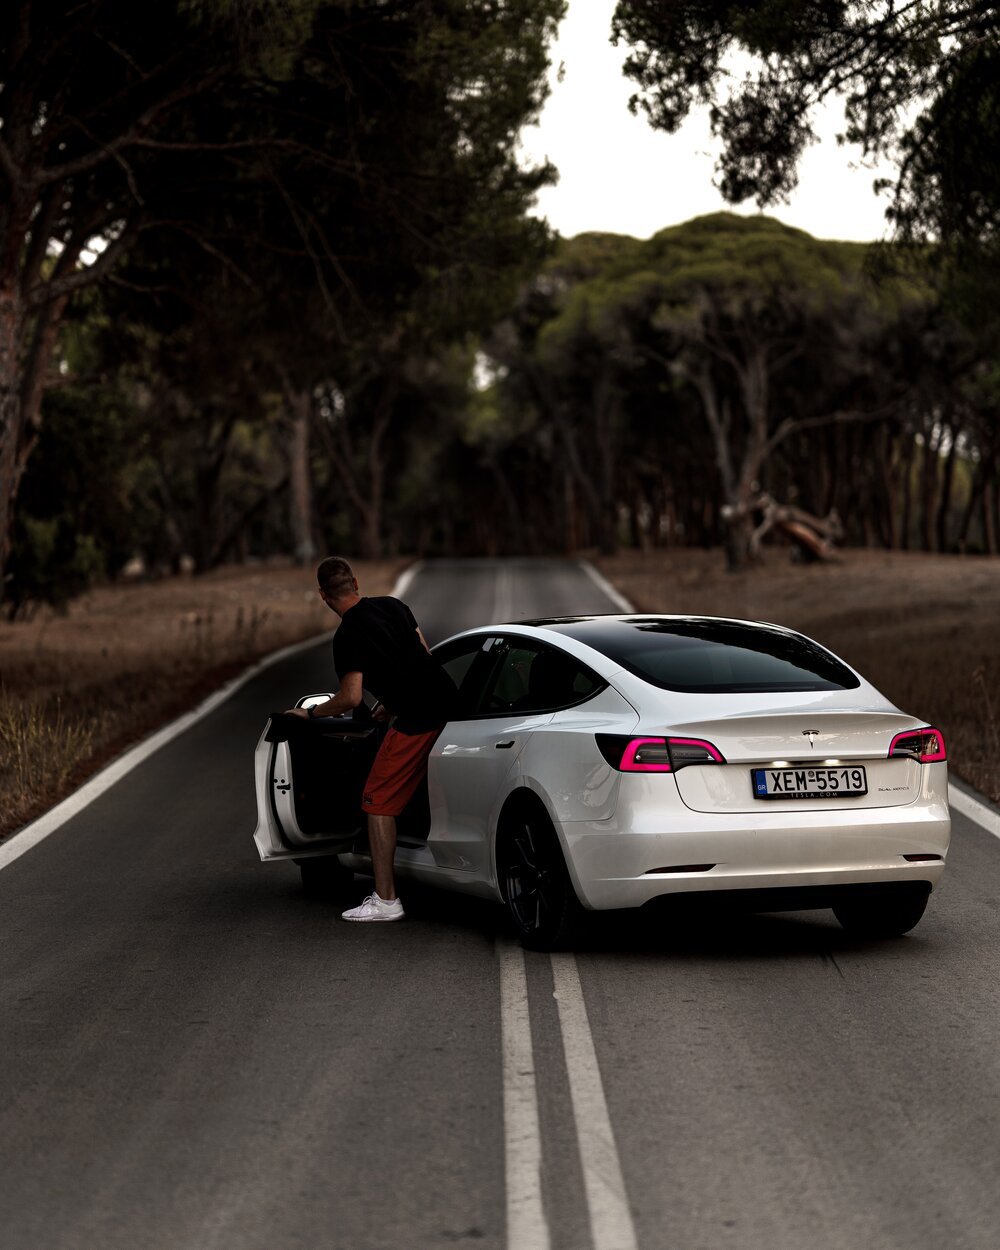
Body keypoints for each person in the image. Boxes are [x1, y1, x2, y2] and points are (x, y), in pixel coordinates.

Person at [286, 556, 455, 922]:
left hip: (418, 719)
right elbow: (422, 656)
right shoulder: (394, 606)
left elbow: (350, 698)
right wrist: (390, 705)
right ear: (356, 582)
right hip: (449, 705)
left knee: (377, 803)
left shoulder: (346, 635)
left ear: (322, 595)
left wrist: (311, 713)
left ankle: (386, 899)